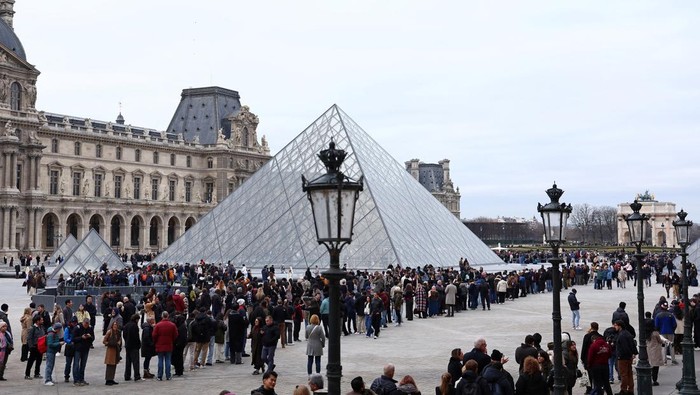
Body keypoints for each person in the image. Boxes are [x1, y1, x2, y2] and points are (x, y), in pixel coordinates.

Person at [152, 310, 178, 381]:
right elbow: (175, 335)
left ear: (162, 316)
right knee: (168, 360)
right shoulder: (172, 325)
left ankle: (160, 375)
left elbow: (154, 335)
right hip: (169, 344)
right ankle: (168, 375)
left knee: (160, 360)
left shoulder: (158, 325)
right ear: (168, 316)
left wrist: (155, 342)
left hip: (160, 345)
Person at [613, 320, 637, 395]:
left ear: (620, 326)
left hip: (623, 357)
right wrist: (633, 353)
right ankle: (630, 389)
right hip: (628, 357)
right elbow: (632, 344)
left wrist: (622, 355)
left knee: (624, 374)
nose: (614, 327)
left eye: (615, 325)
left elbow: (624, 347)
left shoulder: (622, 335)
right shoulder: (627, 333)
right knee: (629, 373)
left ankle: (623, 390)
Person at [646, 319, 671, 387]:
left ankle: (648, 379)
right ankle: (654, 380)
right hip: (655, 350)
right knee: (655, 366)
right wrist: (665, 342)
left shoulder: (646, 333)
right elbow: (660, 341)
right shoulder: (655, 333)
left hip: (648, 350)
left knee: (650, 365)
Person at [72, 317, 94, 386]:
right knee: (76, 364)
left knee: (83, 365)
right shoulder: (77, 328)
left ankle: (81, 379)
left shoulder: (90, 328)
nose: (86, 326)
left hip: (86, 349)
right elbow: (73, 339)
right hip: (78, 349)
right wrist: (81, 337)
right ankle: (76, 380)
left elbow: (93, 338)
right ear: (83, 323)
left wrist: (90, 337)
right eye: (85, 325)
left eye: (87, 325)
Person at [122, 313, 142, 381]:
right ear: (136, 319)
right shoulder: (134, 326)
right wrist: (139, 344)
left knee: (128, 361)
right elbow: (136, 337)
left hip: (127, 345)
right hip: (134, 346)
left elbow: (124, 335)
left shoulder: (127, 325)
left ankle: (127, 376)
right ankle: (137, 376)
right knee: (135, 361)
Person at [25, 314, 44, 380]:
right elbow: (29, 338)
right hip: (34, 347)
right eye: (41, 320)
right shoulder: (32, 328)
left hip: (40, 347)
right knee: (31, 361)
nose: (42, 321)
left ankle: (37, 373)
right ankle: (27, 374)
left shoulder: (41, 327)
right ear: (37, 321)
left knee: (39, 360)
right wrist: (31, 347)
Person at [103, 321, 122, 385]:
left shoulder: (118, 332)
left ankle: (112, 378)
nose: (115, 326)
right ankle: (108, 380)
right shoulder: (109, 332)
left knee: (114, 365)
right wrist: (110, 344)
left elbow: (119, 340)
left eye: (116, 325)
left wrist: (119, 343)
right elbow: (104, 341)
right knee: (109, 365)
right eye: (114, 325)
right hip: (110, 351)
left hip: (116, 350)